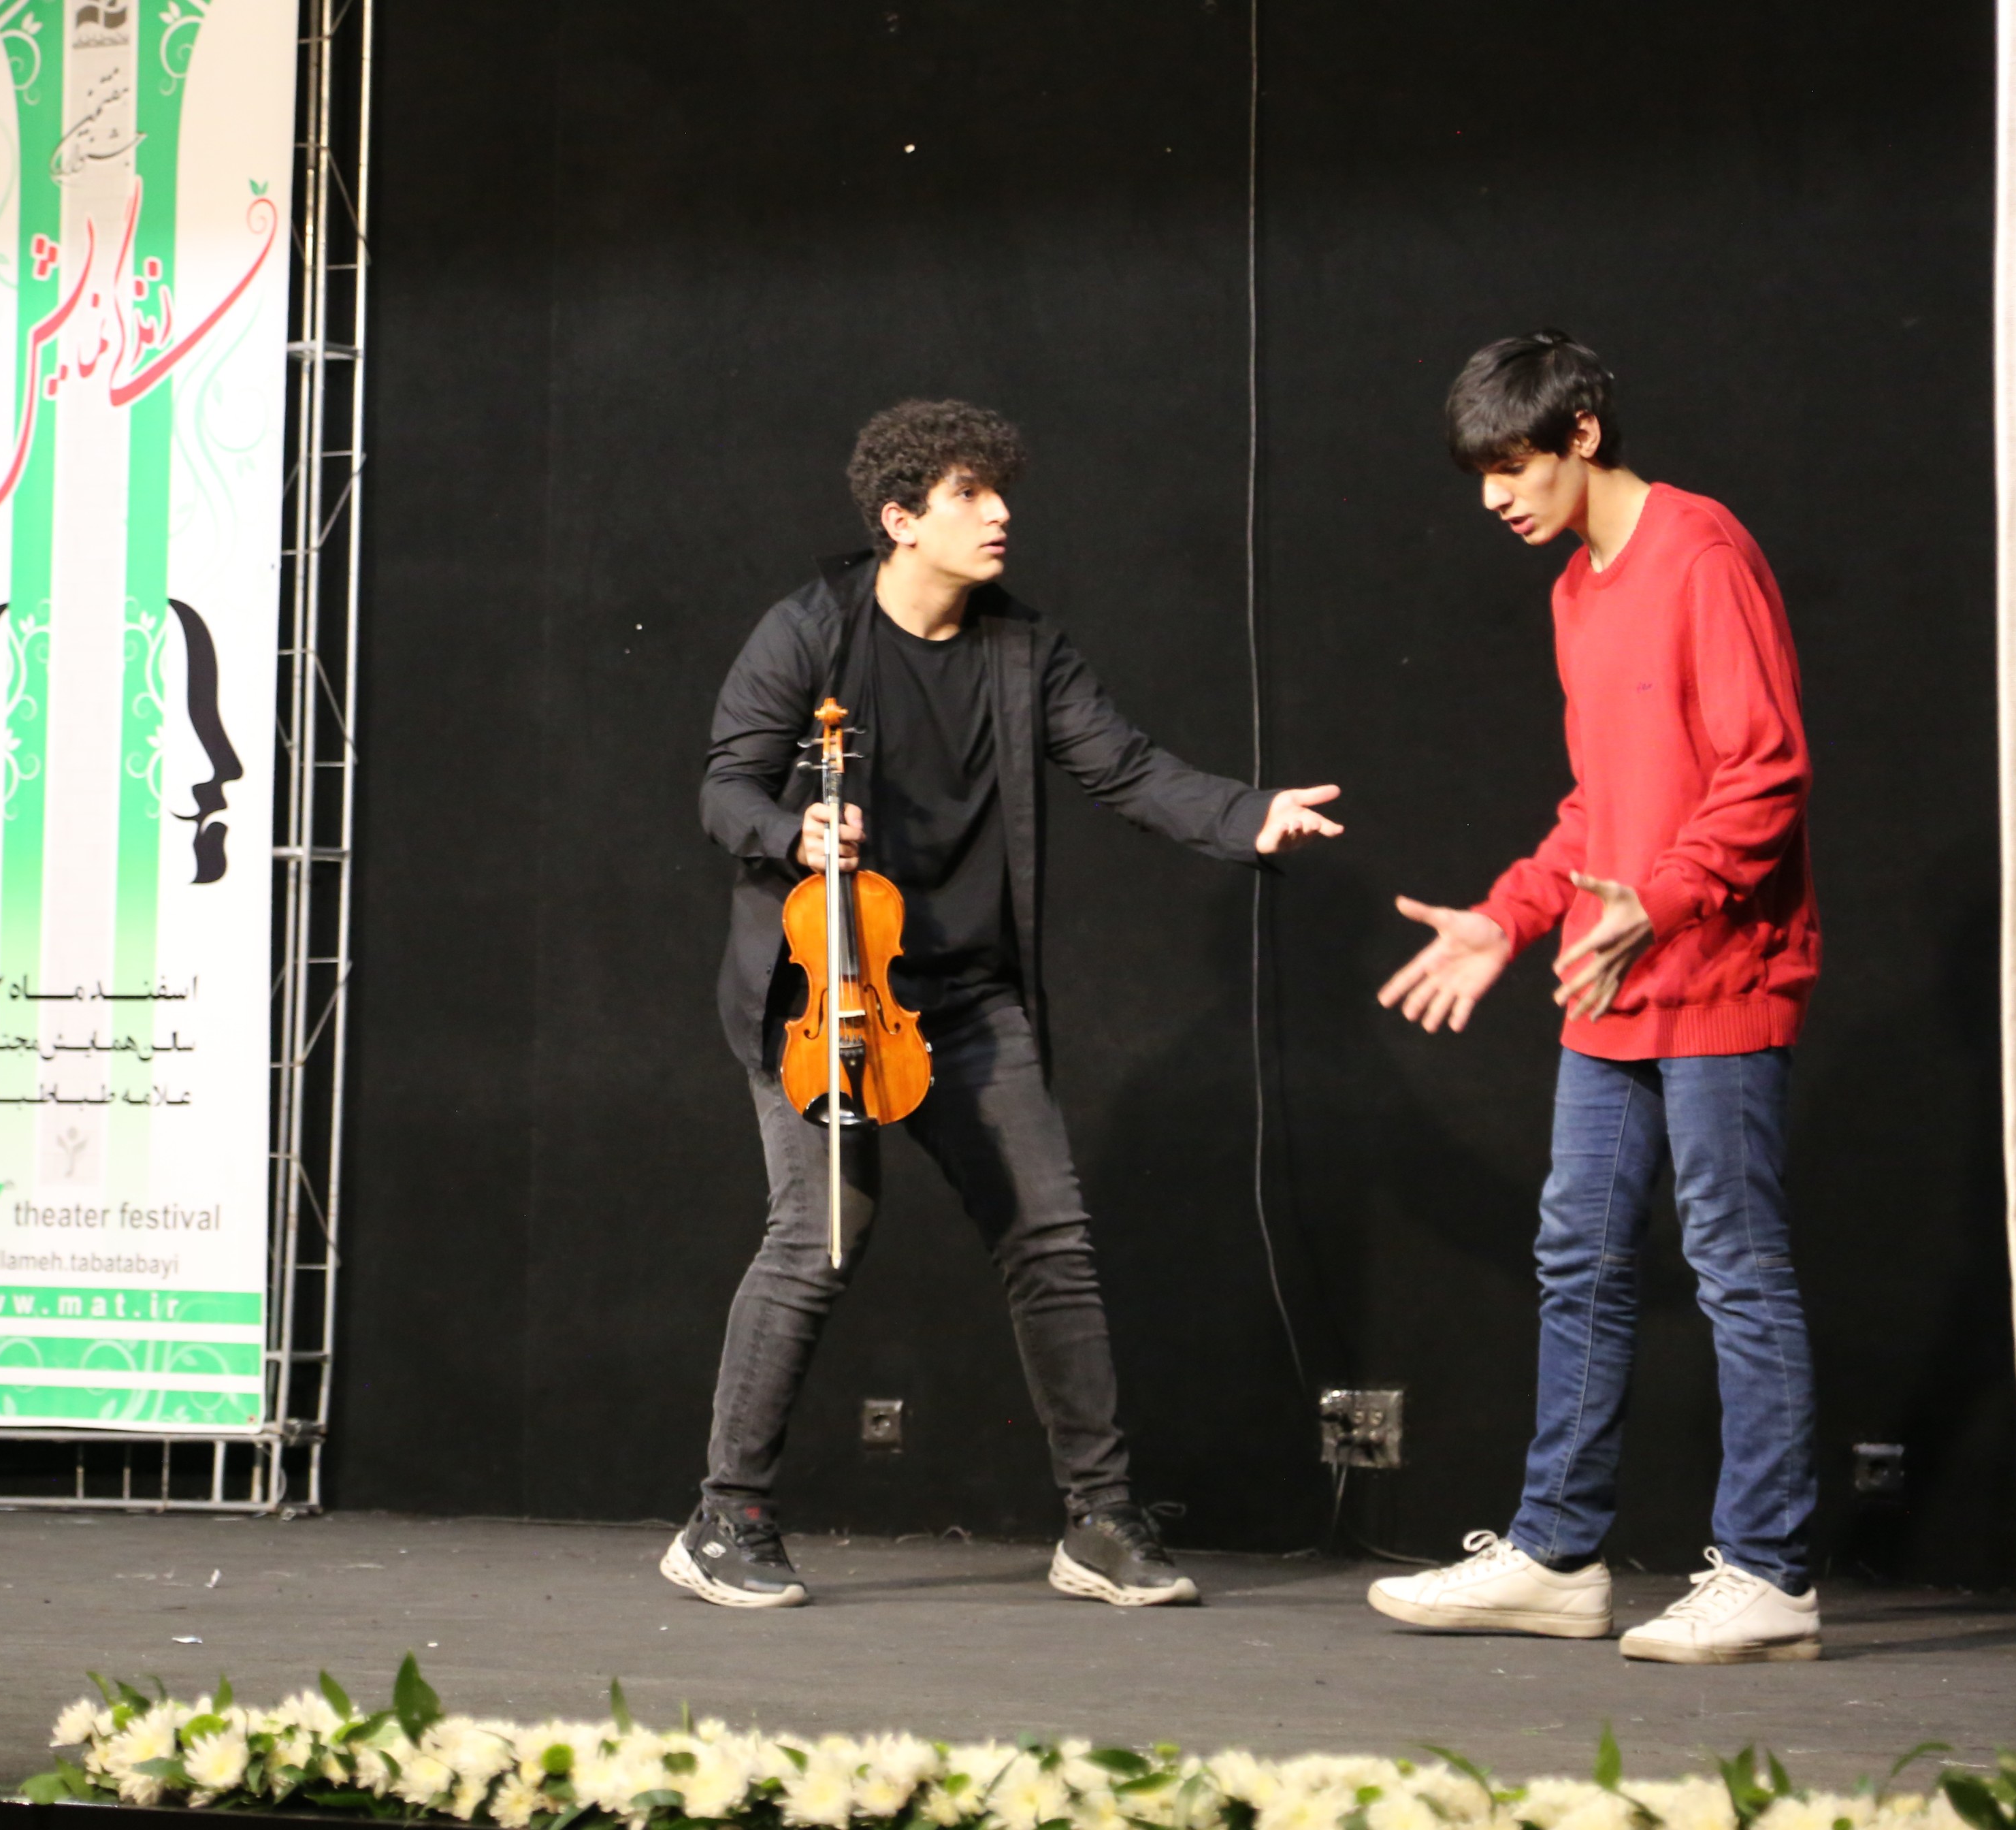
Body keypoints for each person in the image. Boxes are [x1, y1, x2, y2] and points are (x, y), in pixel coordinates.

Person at [664, 399, 1346, 1610]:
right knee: (821, 1238)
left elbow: (1125, 766)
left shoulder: (1024, 651)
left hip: (968, 996)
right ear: (901, 519)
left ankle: (1099, 1522)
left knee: (1052, 1242)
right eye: (970, 495)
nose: (999, 515)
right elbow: (727, 788)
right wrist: (793, 830)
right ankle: (725, 1518)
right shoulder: (808, 632)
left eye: (999, 491)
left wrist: (1248, 817)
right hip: (826, 986)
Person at [1367, 332, 1824, 1664]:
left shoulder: (1703, 551)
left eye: (1513, 465)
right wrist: (1510, 917)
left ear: (1580, 435)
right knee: (1579, 1257)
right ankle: (1558, 1556)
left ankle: (1772, 1575)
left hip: (1718, 970)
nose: (1494, 496)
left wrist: (1664, 902)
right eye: (1480, 473)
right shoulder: (1577, 589)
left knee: (1734, 1263)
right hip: (1608, 983)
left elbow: (1765, 772)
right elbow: (1596, 807)